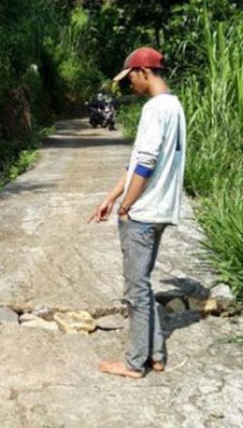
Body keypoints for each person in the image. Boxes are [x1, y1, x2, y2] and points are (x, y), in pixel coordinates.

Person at [87, 47, 186, 379]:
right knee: (142, 285)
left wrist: (126, 205)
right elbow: (136, 163)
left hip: (142, 214)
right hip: (160, 211)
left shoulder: (154, 110)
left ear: (144, 72)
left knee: (135, 290)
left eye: (130, 76)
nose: (129, 84)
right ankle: (156, 355)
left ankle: (133, 363)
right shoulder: (174, 106)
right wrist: (112, 197)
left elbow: (145, 163)